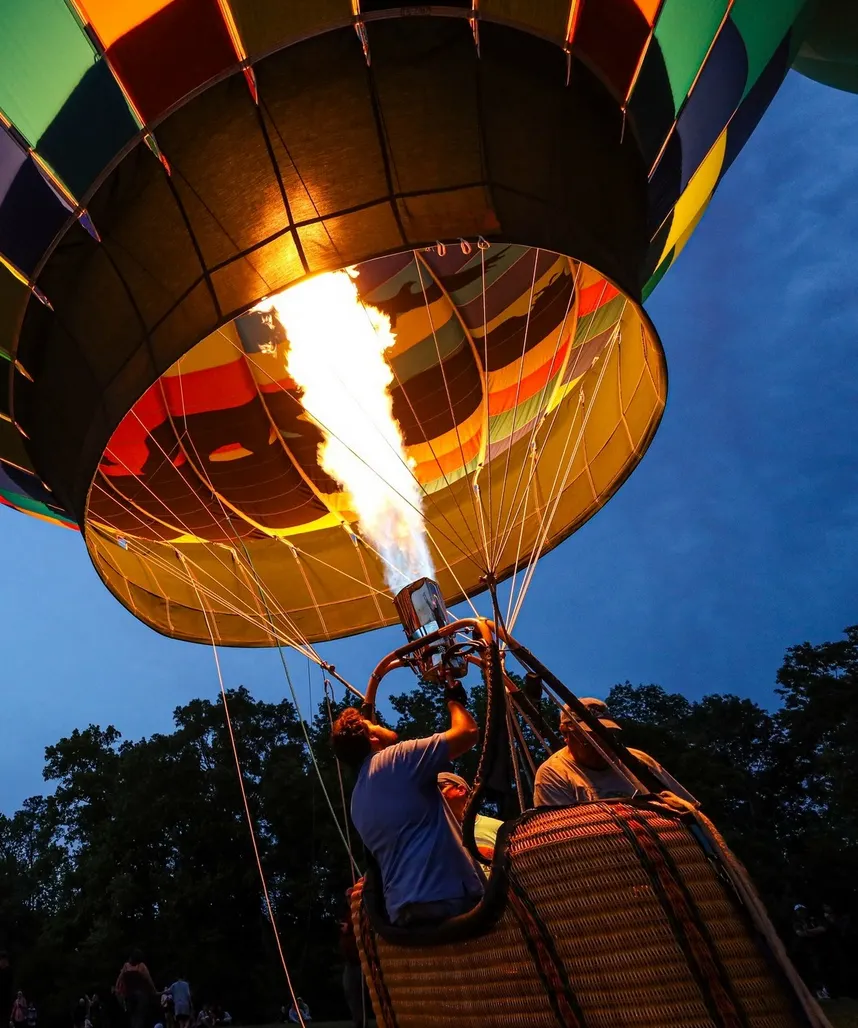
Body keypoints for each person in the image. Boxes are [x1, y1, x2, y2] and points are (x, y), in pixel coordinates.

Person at [331, 681, 483, 928]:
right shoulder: (395, 760)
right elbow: (467, 734)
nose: (380, 725)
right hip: (446, 898)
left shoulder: (357, 800)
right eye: (374, 725)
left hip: (404, 911)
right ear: (372, 737)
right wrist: (455, 701)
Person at [533, 698, 696, 808]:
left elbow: (689, 808)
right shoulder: (554, 774)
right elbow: (563, 838)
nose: (601, 744)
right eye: (589, 738)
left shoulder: (638, 760)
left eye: (606, 734)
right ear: (566, 735)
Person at [436, 772, 503, 860]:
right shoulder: (434, 835)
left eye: (439, 788)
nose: (433, 795)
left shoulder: (499, 828)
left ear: (461, 790)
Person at [339, 887, 365, 1028]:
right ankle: (359, 1021)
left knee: (366, 992)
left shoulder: (362, 913)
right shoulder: (347, 914)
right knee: (350, 990)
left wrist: (349, 928)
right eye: (348, 897)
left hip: (363, 961)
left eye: (351, 897)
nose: (349, 900)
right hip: (350, 962)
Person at [115, 952, 157, 1028]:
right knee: (140, 1016)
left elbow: (119, 979)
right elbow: (149, 979)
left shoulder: (126, 966)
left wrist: (117, 989)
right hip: (141, 995)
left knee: (132, 1016)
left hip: (129, 995)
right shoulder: (141, 966)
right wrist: (154, 990)